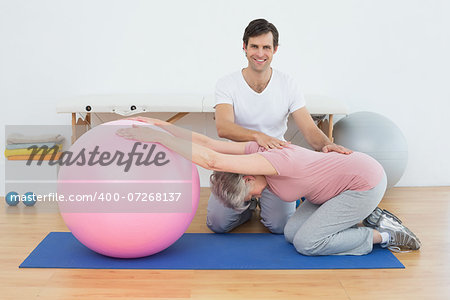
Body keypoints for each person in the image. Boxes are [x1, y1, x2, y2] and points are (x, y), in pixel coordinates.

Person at [116, 118, 421, 255]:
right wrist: (160, 126)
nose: (257, 198)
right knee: (290, 233)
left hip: (363, 183)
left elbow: (210, 160)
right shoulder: (256, 154)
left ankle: (384, 234)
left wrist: (161, 140)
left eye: (251, 195)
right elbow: (209, 143)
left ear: (248, 178)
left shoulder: (275, 163)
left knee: (307, 244)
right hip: (332, 190)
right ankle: (368, 217)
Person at [210, 18, 351, 234]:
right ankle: (249, 205)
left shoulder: (288, 84)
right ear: (244, 47)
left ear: (275, 49)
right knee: (218, 224)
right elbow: (224, 127)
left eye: (266, 47)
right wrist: (258, 136)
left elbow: (310, 130)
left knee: (279, 226)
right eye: (254, 46)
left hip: (276, 163)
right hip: (239, 164)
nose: (260, 53)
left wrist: (326, 145)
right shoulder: (227, 83)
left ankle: (276, 199)